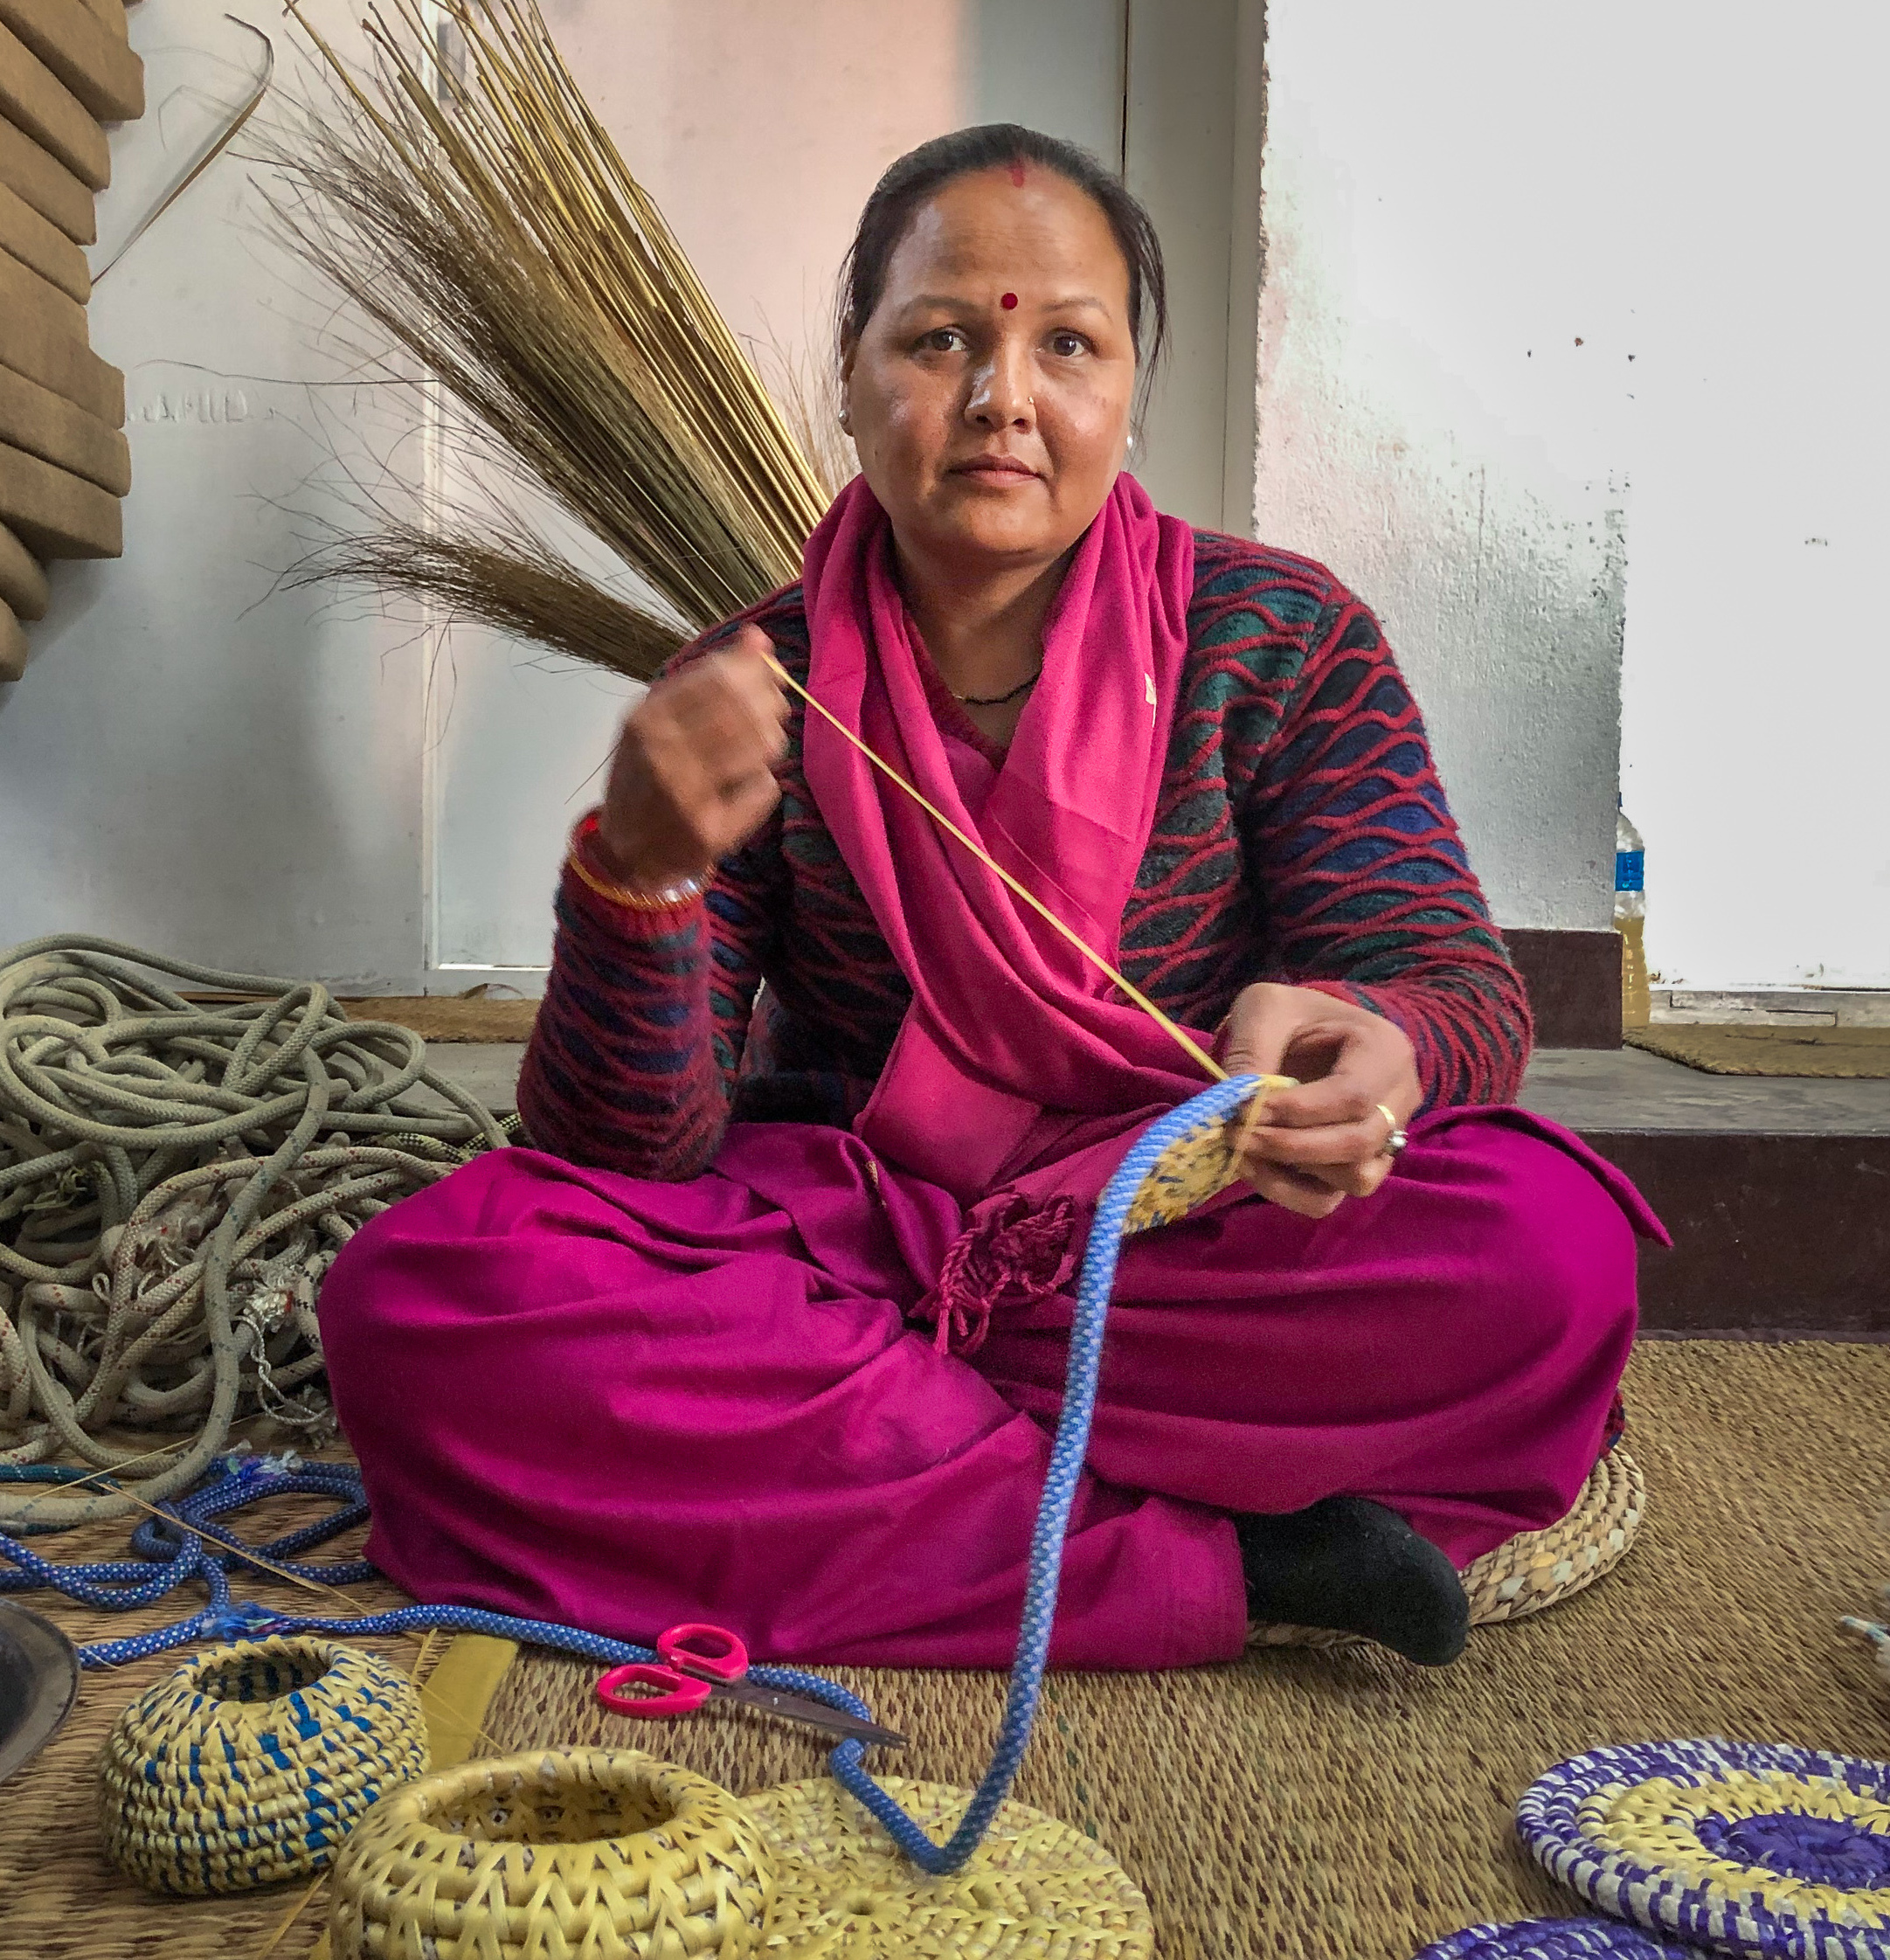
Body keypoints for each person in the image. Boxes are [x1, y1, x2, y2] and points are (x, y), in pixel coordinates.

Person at [319, 123, 1663, 1673]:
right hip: (861, 1241)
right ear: (847, 372)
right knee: (423, 1297)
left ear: (1129, 392)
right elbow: (624, 1159)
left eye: (1069, 345)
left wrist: (1376, 1039)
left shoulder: (1281, 638)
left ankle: (888, 1459)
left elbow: (1452, 978)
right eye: (940, 338)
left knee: (1548, 1253)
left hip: (1182, 1245)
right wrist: (636, 876)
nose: (1003, 400)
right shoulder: (760, 684)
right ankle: (1224, 1564)